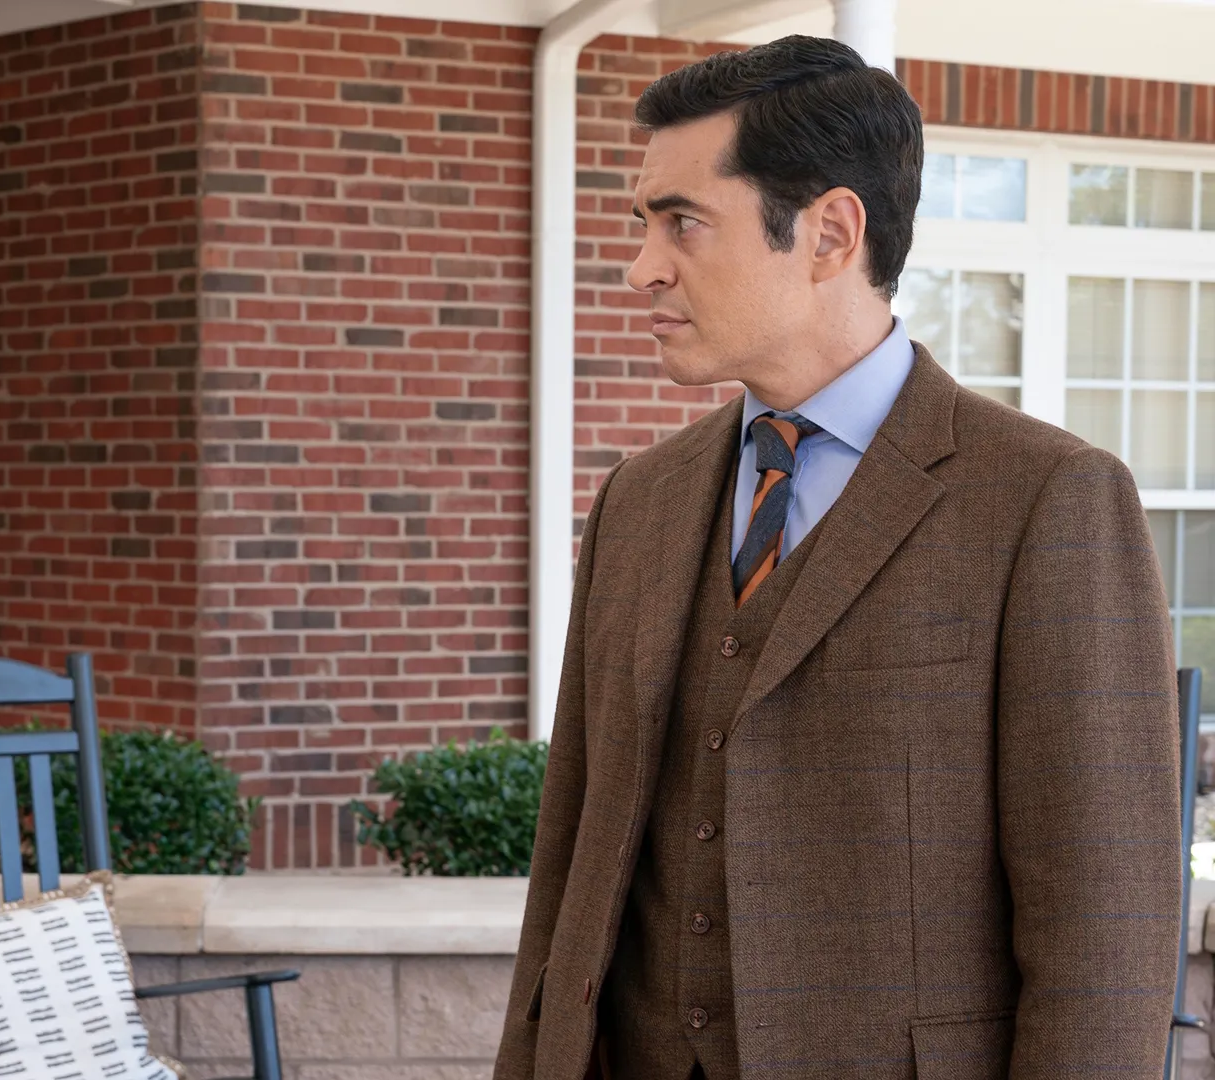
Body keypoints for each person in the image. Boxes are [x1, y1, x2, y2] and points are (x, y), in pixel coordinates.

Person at [494, 36, 1180, 1080]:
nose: (643, 268)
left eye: (683, 222)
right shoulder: (639, 499)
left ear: (829, 233)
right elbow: (569, 866)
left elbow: (1106, 936)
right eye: (644, 225)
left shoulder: (1047, 500)